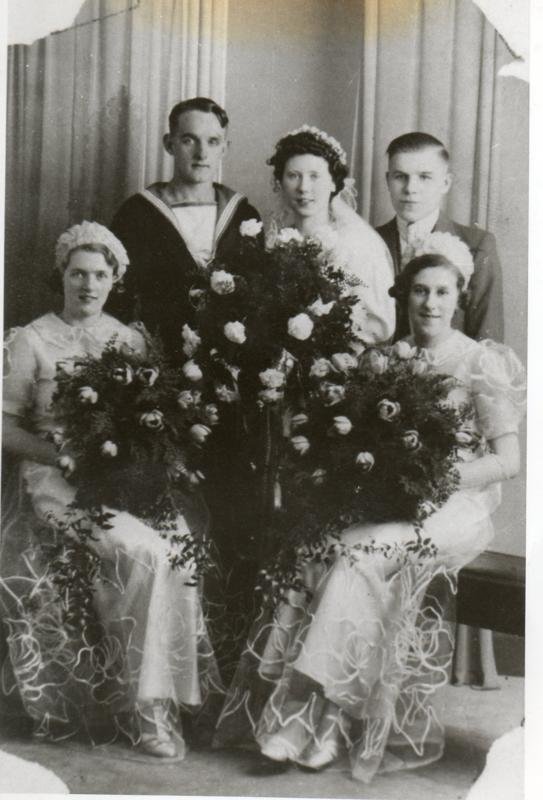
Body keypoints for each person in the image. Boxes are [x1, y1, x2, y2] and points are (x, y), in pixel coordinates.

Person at [213, 233, 525, 783]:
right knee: (322, 549)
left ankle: (314, 725)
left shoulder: (479, 362)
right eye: (420, 291)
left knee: (358, 557)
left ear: (460, 297)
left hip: (454, 505)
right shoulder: (381, 359)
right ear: (404, 295)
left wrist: (439, 476)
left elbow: (507, 460)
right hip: (389, 501)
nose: (430, 303)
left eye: (443, 292)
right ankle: (317, 722)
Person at [1, 222, 222, 760]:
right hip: (59, 482)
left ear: (115, 280)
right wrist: (64, 456)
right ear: (62, 275)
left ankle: (176, 699)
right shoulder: (31, 338)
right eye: (78, 273)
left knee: (180, 553)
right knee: (144, 552)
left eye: (100, 275)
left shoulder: (131, 340)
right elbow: (4, 426)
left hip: (126, 480)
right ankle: (146, 712)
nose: (88, 285)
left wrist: (142, 461)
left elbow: (153, 419)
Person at [108, 96, 261, 362]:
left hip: (230, 359)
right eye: (189, 140)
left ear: (224, 149)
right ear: (170, 144)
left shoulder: (243, 215)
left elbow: (259, 298)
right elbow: (116, 298)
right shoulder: (137, 213)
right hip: (158, 361)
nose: (202, 153)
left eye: (212, 142)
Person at [267, 125, 396, 345]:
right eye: (293, 176)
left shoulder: (354, 245)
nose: (303, 187)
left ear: (334, 182)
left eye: (315, 176)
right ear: (280, 182)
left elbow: (379, 325)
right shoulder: (276, 241)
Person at [376, 132, 504, 342]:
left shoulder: (477, 246)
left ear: (445, 183)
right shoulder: (370, 241)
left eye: (424, 177)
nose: (410, 189)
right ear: (388, 180)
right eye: (400, 176)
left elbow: (488, 342)